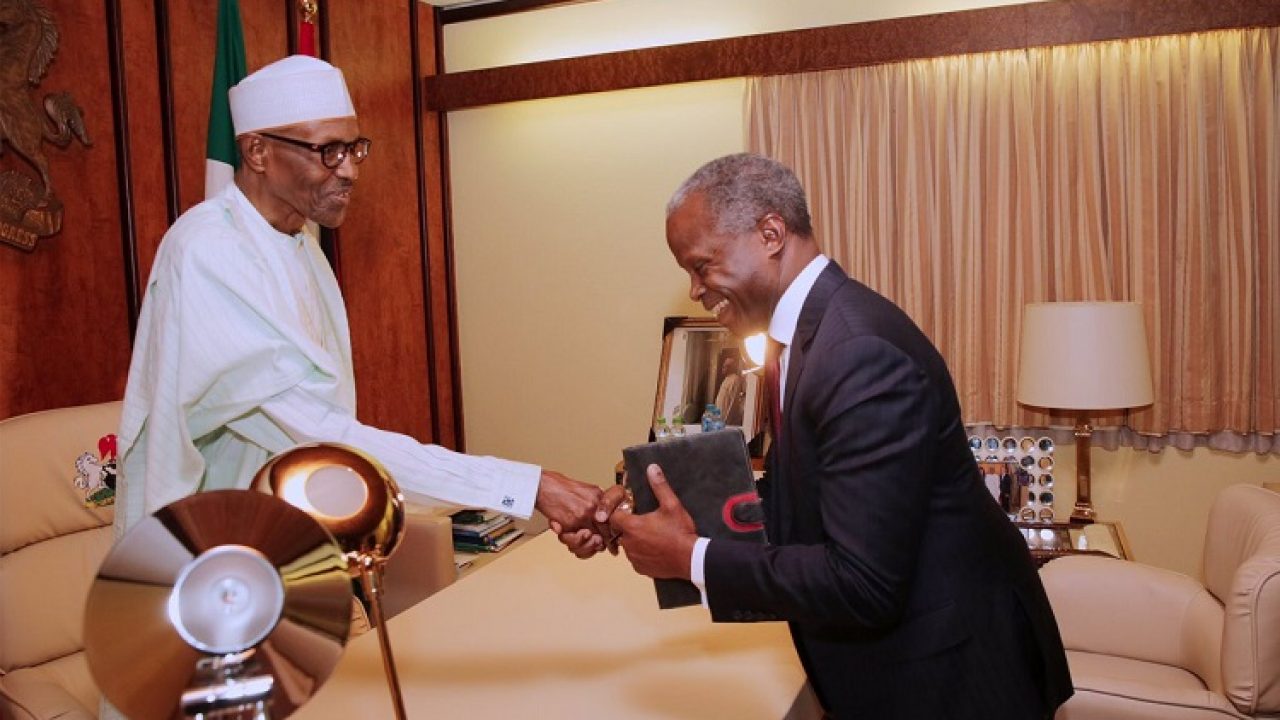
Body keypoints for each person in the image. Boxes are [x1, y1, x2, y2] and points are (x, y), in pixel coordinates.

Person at [569, 153, 1073, 718]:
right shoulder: (809, 337)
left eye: (702, 266)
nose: (694, 290)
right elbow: (811, 495)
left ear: (770, 233)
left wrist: (690, 557)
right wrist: (655, 511)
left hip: (952, 677)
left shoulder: (856, 352)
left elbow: (862, 581)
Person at [116, 55, 608, 542]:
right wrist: (527, 485)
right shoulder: (209, 252)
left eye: (354, 148)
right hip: (209, 553)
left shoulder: (300, 240)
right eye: (327, 150)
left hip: (284, 537)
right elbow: (321, 435)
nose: (349, 170)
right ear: (258, 152)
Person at [712, 351, 745, 426]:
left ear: (731, 367)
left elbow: (733, 402)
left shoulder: (735, 379)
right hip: (719, 420)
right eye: (723, 366)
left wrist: (726, 422)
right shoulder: (726, 379)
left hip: (727, 422)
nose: (723, 368)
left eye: (725, 366)